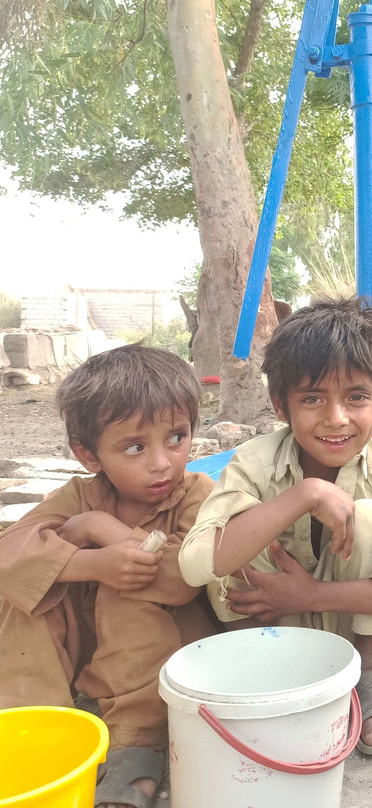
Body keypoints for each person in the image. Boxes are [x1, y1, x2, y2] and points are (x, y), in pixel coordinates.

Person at [178, 296, 372, 756]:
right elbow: (195, 565)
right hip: (264, 621)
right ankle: (260, 665)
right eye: (312, 398)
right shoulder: (253, 462)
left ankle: (369, 665)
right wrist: (303, 496)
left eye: (357, 397)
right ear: (279, 405)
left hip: (347, 620)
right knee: (239, 525)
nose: (336, 418)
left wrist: (311, 596)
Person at [0, 344, 215, 808]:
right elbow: (8, 555)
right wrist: (88, 563)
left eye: (176, 437)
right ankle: (37, 727)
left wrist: (99, 530)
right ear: (88, 454)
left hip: (173, 646)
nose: (162, 462)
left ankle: (139, 743)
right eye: (135, 447)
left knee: (128, 587)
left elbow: (182, 579)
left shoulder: (199, 493)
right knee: (22, 598)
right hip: (93, 653)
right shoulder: (79, 493)